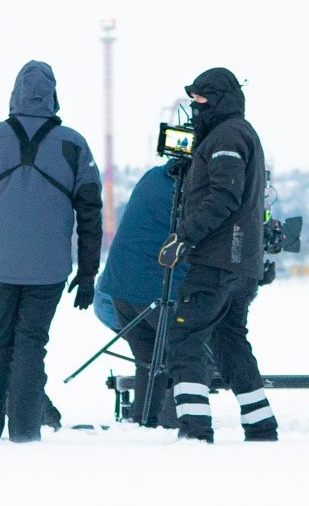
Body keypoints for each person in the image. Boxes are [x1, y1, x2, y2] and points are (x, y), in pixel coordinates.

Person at [0, 61, 103, 443]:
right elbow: (90, 213)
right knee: (31, 346)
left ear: (14, 94)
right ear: (53, 96)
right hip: (50, 271)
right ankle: (23, 434)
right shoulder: (74, 145)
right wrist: (88, 273)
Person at [156, 67, 277, 443]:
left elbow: (225, 194)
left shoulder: (227, 136)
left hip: (218, 260)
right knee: (229, 341)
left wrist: (183, 236)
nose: (196, 107)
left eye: (202, 99)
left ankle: (194, 431)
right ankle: (261, 425)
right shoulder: (235, 134)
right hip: (242, 263)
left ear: (220, 100)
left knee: (185, 337)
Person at [95, 158, 188, 427]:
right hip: (158, 292)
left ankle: (145, 422)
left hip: (117, 290)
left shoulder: (153, 177)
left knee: (149, 359)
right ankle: (178, 424)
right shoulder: (195, 188)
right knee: (188, 357)